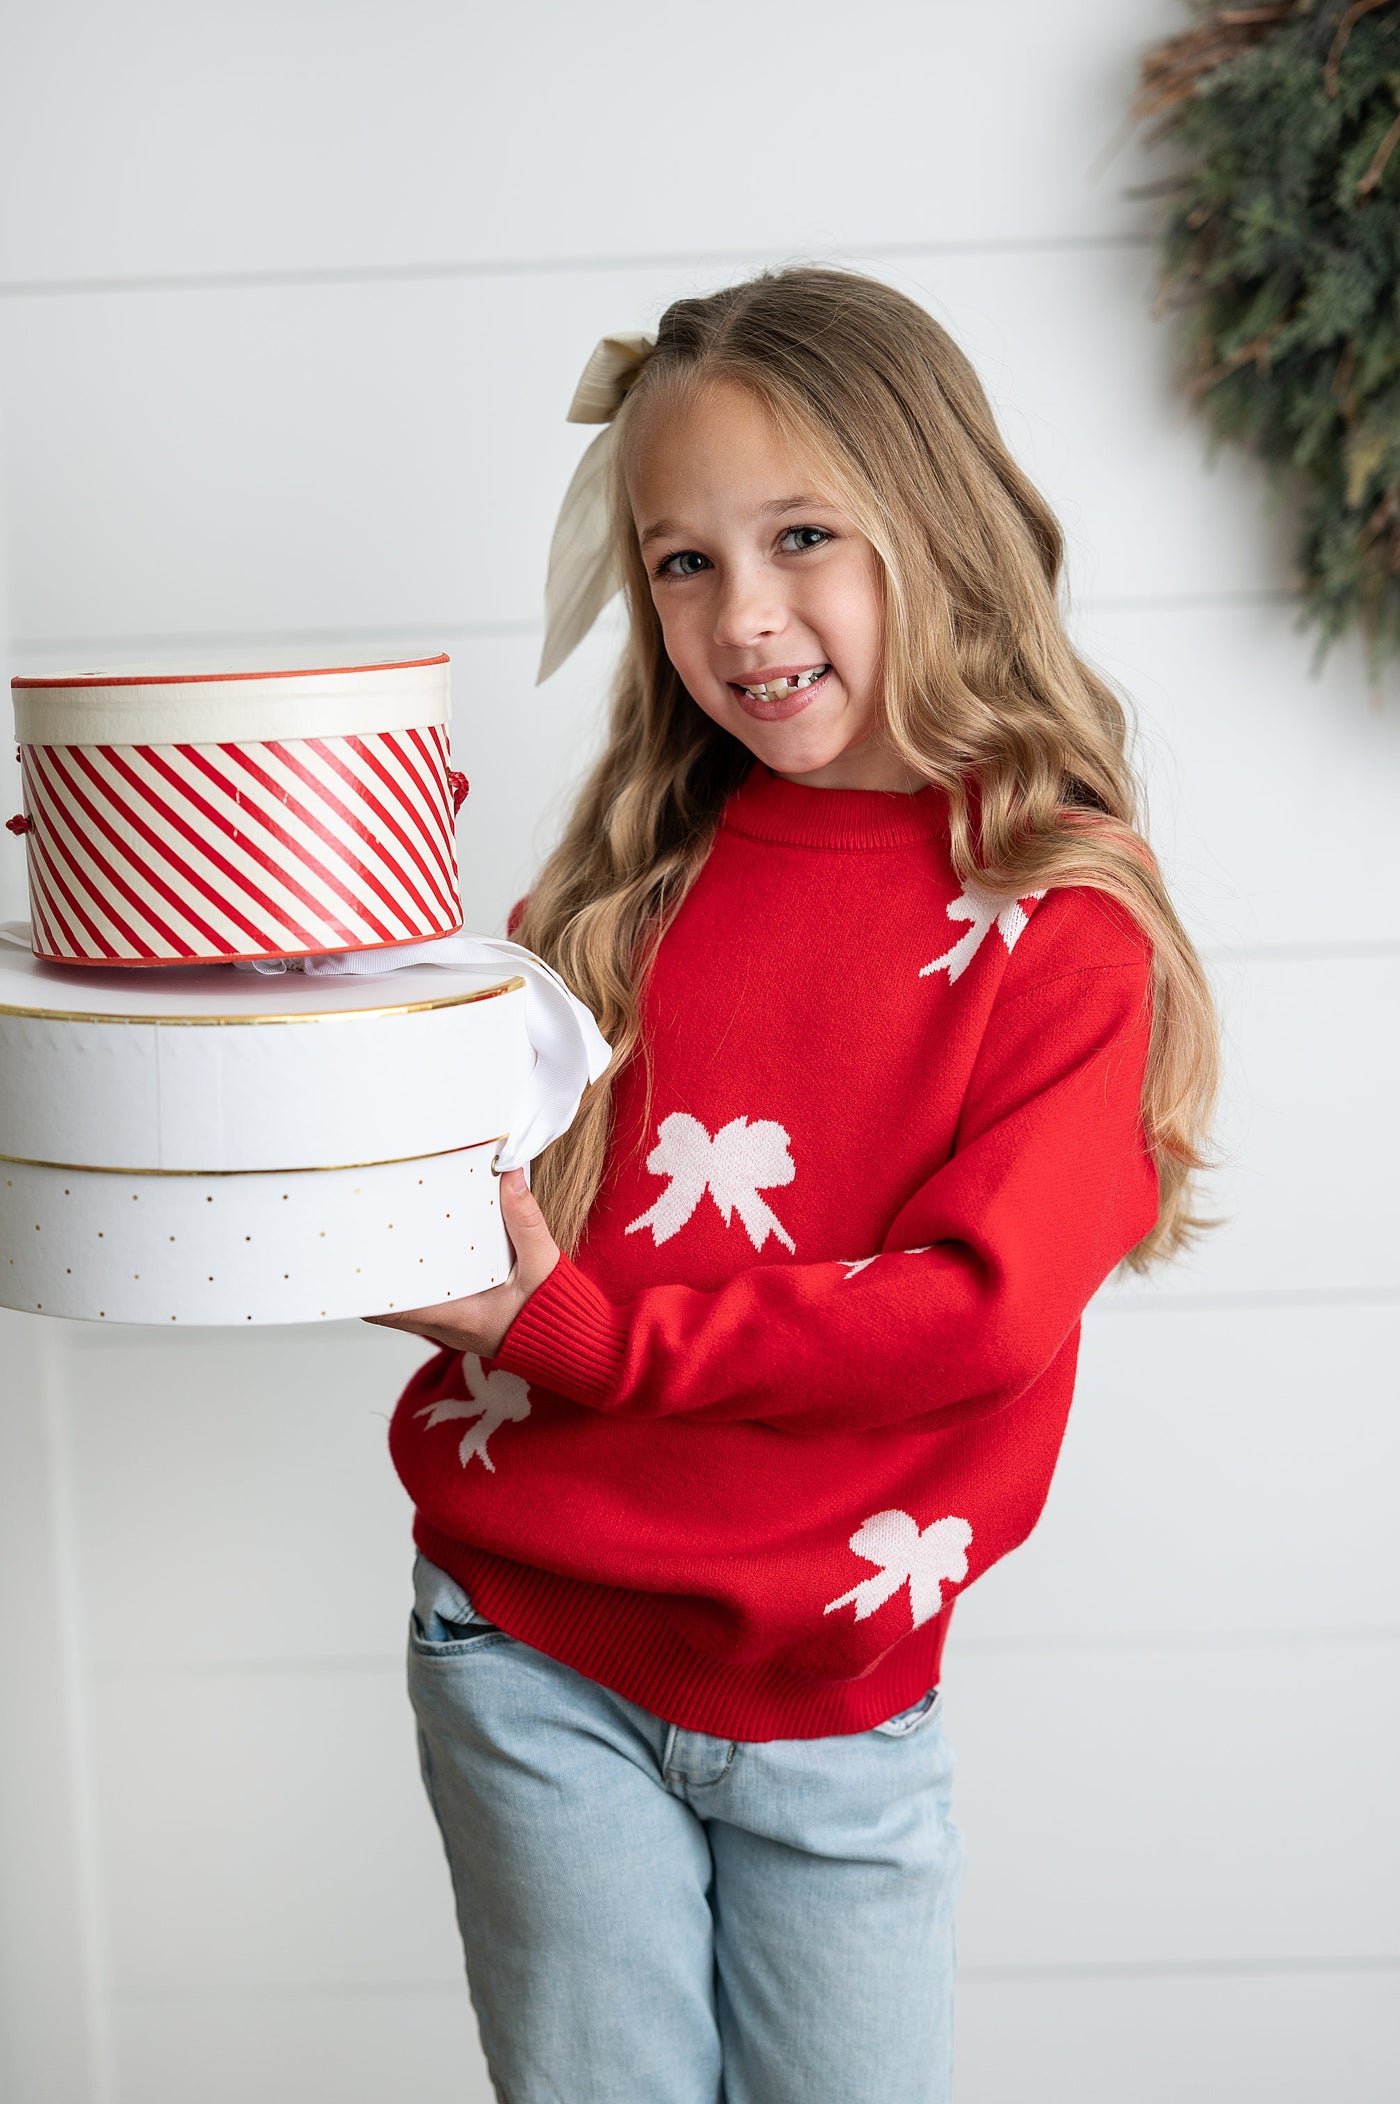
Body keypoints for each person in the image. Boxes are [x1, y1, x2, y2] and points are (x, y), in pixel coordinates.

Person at [366, 266, 1219, 2104]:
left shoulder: (1058, 929)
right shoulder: (616, 891)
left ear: (943, 523)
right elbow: (470, 1205)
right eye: (682, 562)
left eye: (803, 536)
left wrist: (572, 1328)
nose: (743, 617)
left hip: (837, 1696)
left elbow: (974, 1317)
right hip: (529, 1641)